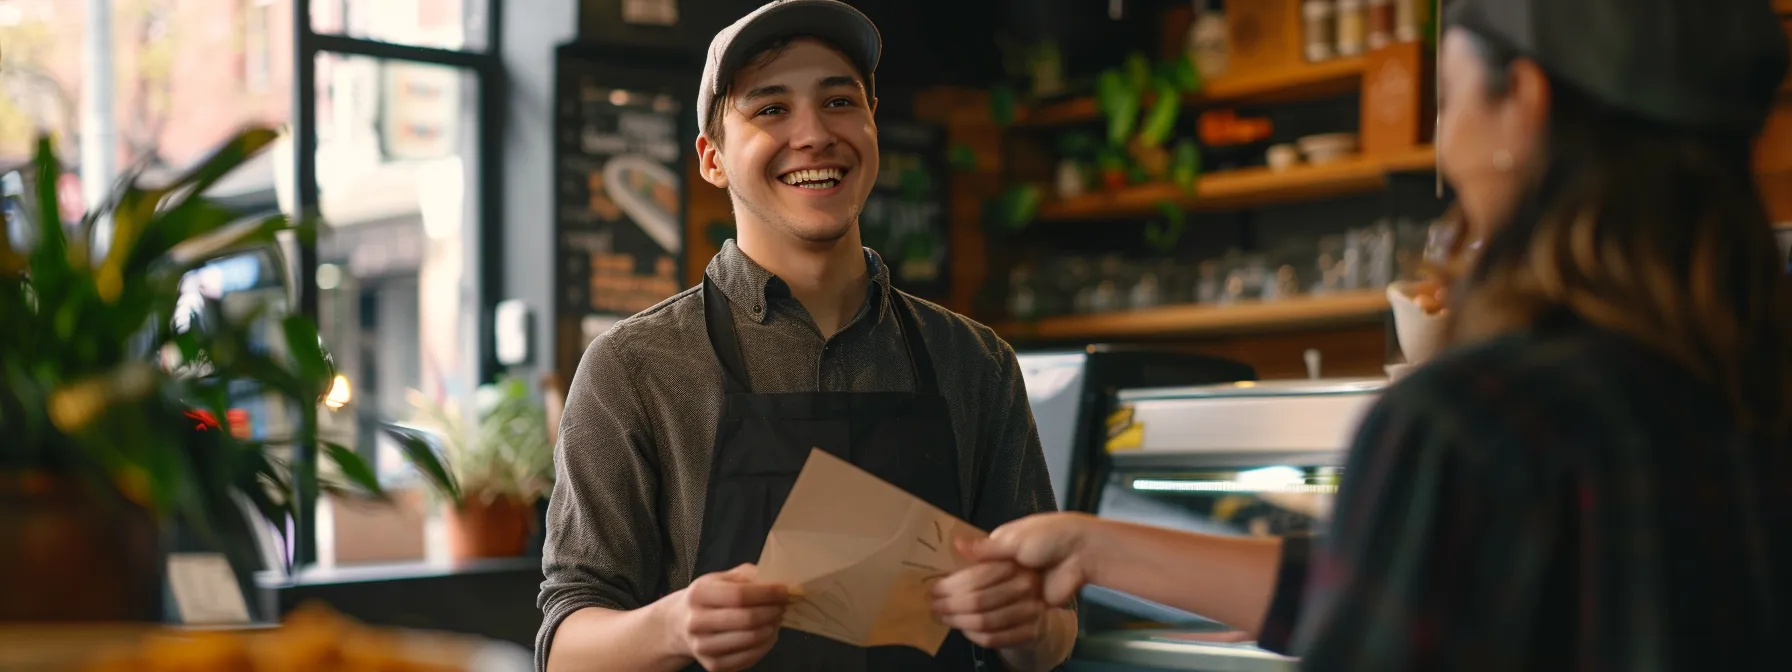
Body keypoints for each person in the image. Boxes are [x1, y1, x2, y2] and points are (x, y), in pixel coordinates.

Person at [962, 0, 1792, 669]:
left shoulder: (1480, 416)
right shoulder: (1750, 386)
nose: (1446, 138)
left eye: (1449, 96)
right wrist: (1099, 548)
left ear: (1525, 107)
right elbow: (1411, 591)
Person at [535, 2, 1077, 671]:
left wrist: (1025, 624)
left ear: (873, 126)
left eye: (840, 101)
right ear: (712, 159)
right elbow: (565, 647)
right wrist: (674, 626)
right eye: (769, 110)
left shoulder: (974, 362)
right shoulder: (634, 368)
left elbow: (1053, 630)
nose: (814, 134)